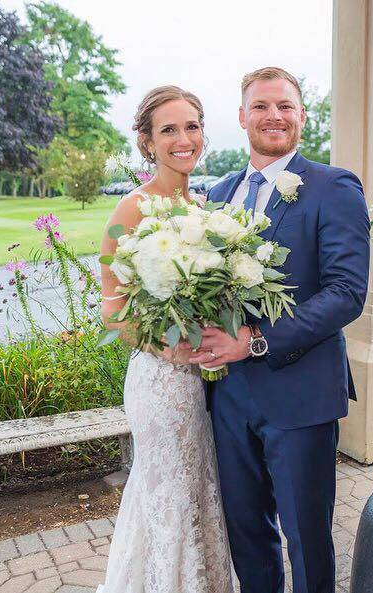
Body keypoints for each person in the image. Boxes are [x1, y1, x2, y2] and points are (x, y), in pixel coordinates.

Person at [181, 67, 369, 593]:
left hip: (300, 394)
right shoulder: (217, 194)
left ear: (301, 117)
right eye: (261, 106)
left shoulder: (333, 187)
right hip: (229, 397)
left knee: (306, 539)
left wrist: (255, 341)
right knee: (247, 535)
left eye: (285, 106)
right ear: (242, 117)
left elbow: (346, 292)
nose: (274, 116)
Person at [96, 85, 234, 593]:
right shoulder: (132, 209)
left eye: (192, 126)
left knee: (199, 493)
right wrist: (164, 345)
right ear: (147, 142)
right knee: (169, 496)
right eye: (169, 129)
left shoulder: (205, 208)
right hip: (162, 381)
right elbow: (112, 306)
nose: (183, 139)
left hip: (206, 377)